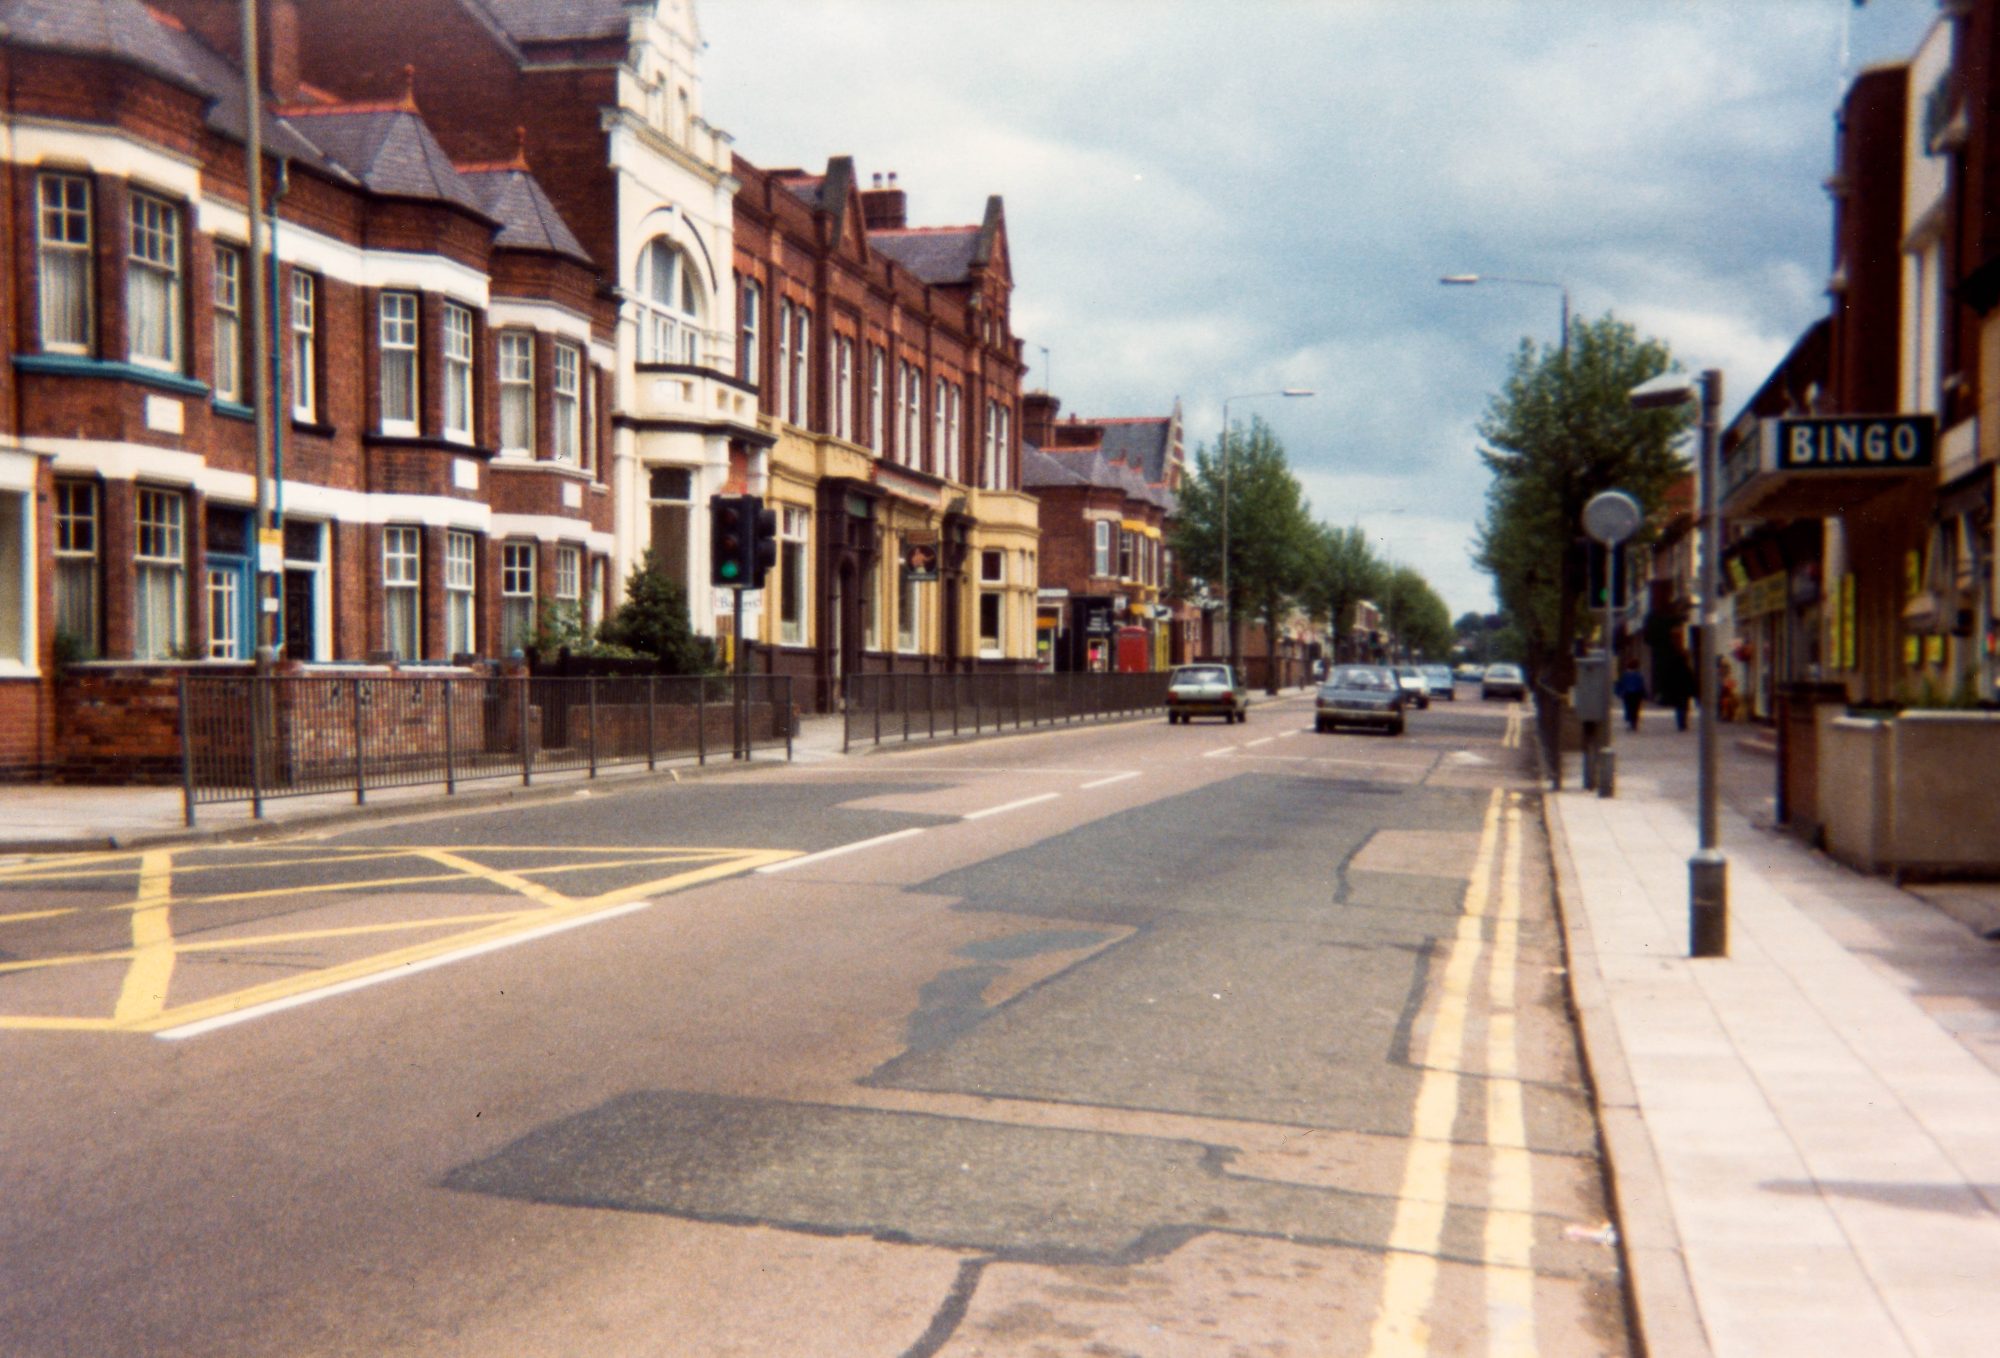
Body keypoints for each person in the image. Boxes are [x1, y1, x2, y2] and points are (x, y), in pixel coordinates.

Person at [1615, 663, 1647, 731]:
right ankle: (1634, 722)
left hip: (1627, 694)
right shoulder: (1638, 675)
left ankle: (1630, 721)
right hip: (1637, 694)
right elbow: (1641, 685)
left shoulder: (1625, 675)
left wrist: (1618, 693)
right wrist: (1644, 695)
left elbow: (1620, 684)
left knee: (1628, 708)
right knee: (1635, 708)